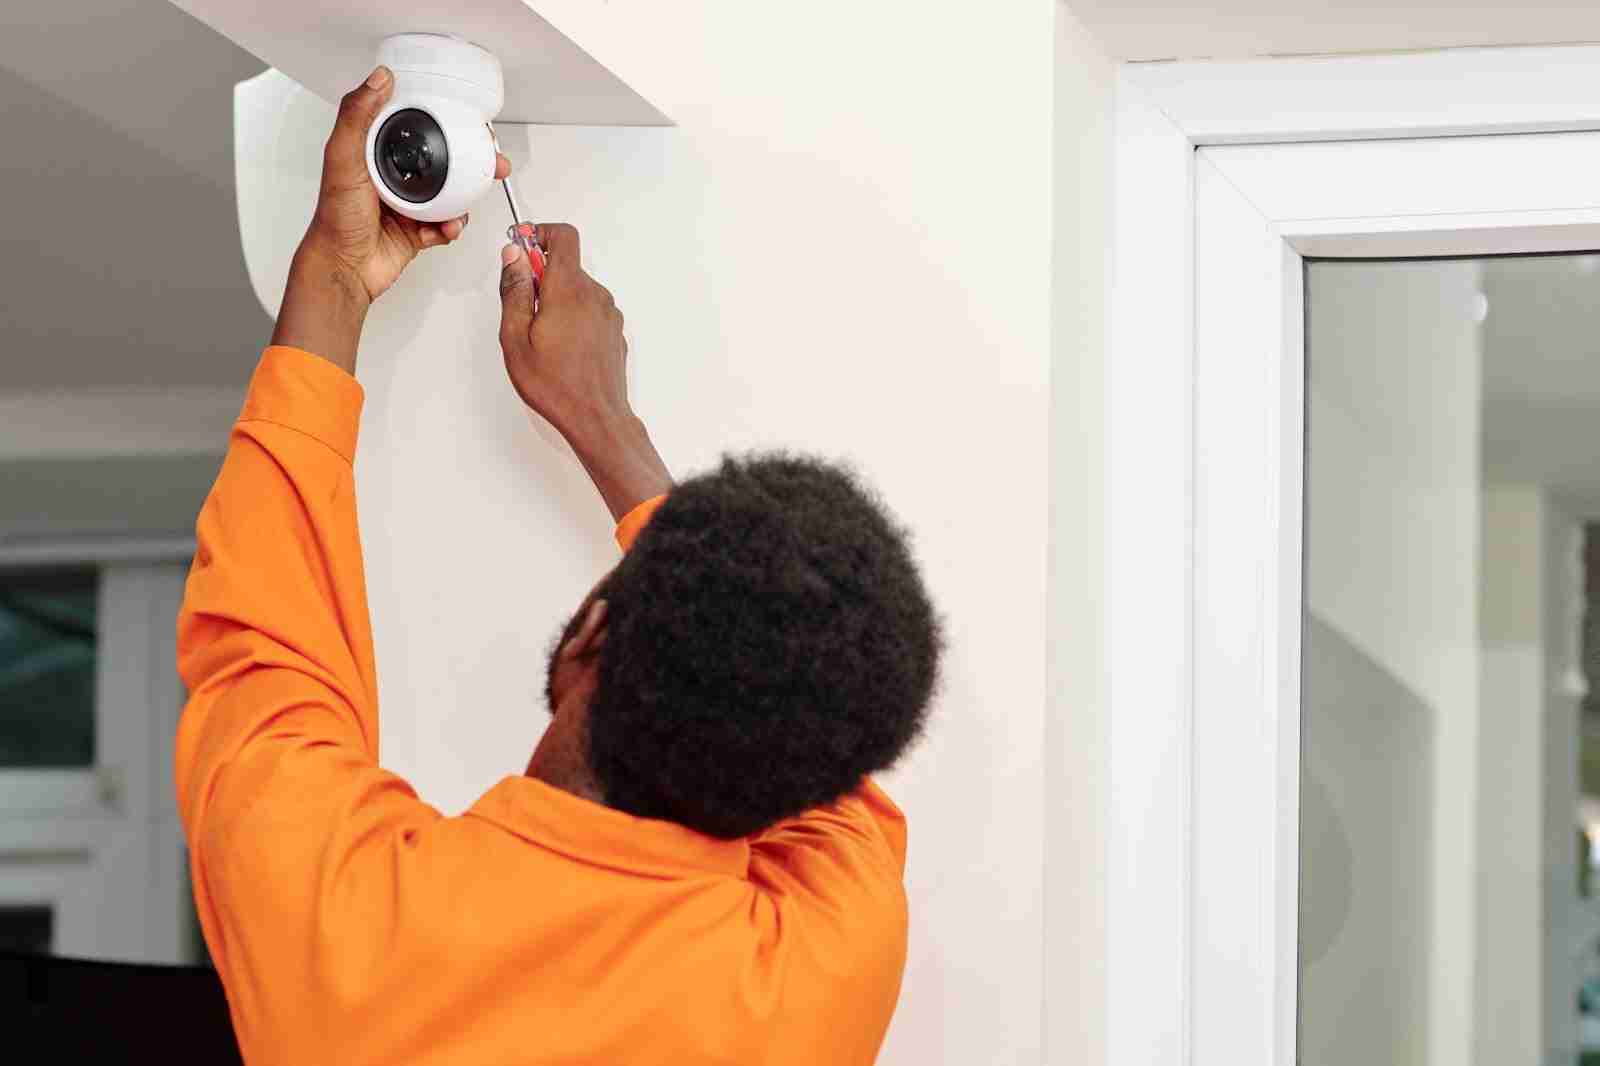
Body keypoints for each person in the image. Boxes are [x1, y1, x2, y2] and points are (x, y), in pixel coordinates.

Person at [174, 66, 942, 1065]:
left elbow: (269, 633)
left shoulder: (344, 913)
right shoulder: (812, 984)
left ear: (589, 635)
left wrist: (342, 271)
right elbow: (819, 707)